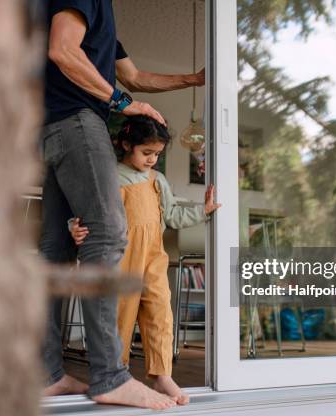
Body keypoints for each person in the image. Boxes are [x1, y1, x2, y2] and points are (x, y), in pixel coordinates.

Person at [40, 0, 205, 410]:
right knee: (110, 233)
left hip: (55, 125)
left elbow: (135, 77)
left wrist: (195, 79)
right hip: (78, 119)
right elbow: (62, 50)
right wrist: (120, 102)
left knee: (56, 253)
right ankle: (110, 376)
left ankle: (47, 373)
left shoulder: (104, 19)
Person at [69, 116, 221, 405]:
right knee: (120, 315)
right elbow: (84, 212)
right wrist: (73, 226)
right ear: (126, 145)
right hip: (121, 257)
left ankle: (162, 374)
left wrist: (204, 210)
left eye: (157, 155)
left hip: (153, 257)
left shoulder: (157, 181)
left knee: (160, 312)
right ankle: (117, 374)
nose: (152, 159)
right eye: (146, 153)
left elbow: (173, 216)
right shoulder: (109, 176)